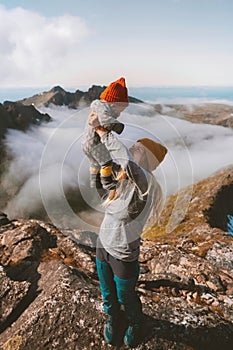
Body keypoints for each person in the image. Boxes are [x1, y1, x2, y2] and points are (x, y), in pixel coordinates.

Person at [93, 126, 167, 347]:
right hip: (102, 245)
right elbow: (106, 193)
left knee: (126, 296)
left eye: (137, 148)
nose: (132, 148)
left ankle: (136, 322)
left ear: (146, 159)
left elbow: (125, 214)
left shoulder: (146, 185)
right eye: (133, 146)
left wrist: (104, 133)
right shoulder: (126, 179)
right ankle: (114, 318)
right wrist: (102, 167)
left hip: (123, 252)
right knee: (107, 292)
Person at [82, 77, 129, 192]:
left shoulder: (97, 107)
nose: (119, 114)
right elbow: (105, 120)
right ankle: (108, 184)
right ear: (114, 104)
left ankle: (95, 182)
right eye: (120, 110)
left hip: (85, 143)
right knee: (106, 162)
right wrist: (118, 126)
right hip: (94, 143)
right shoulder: (102, 108)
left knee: (95, 163)